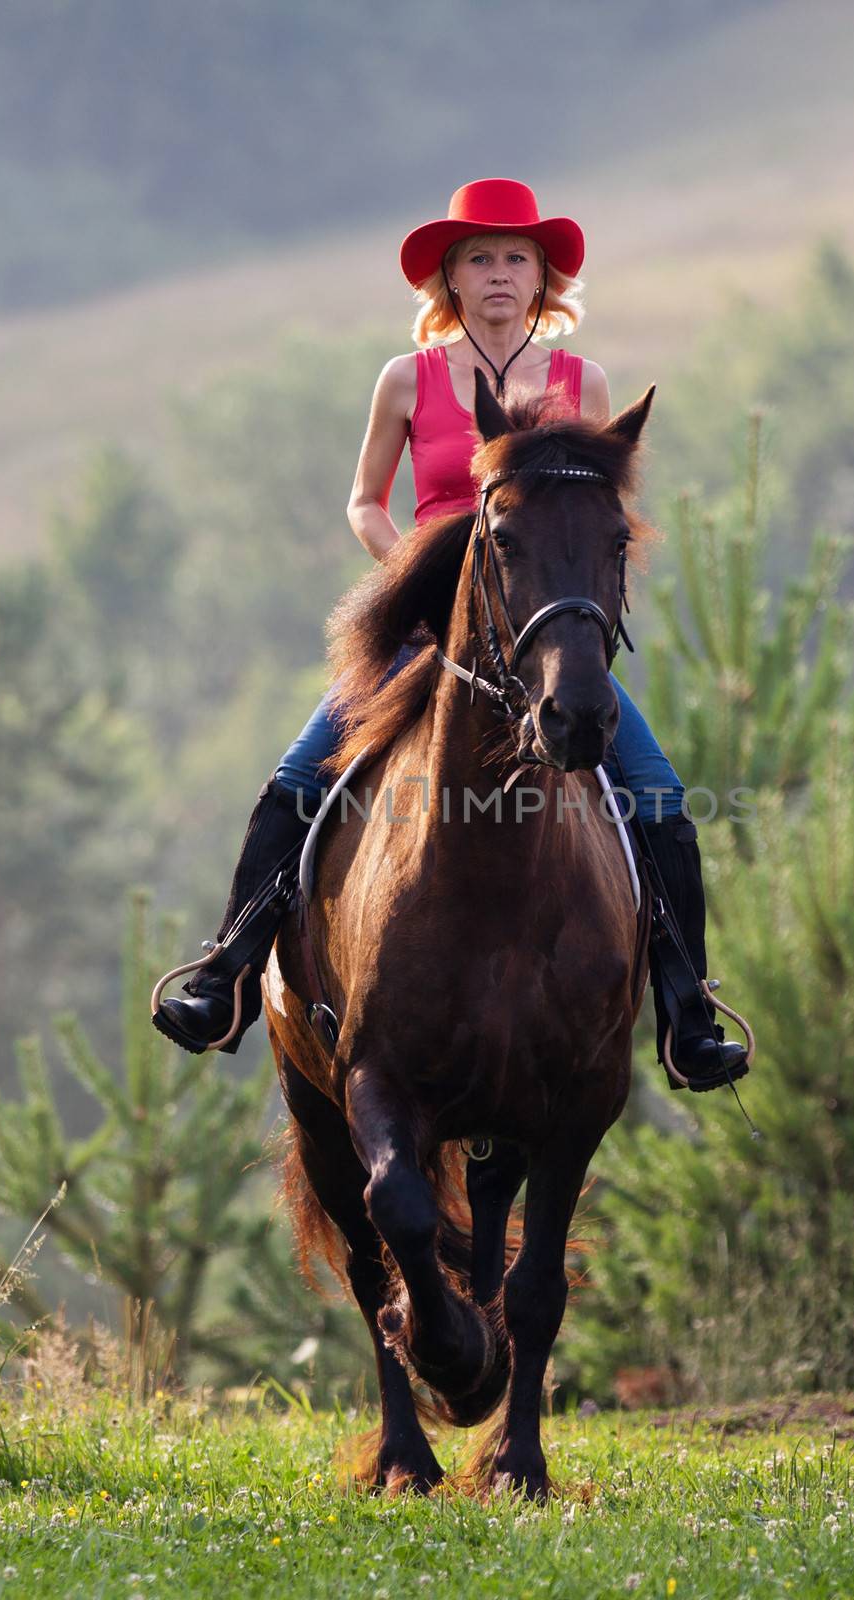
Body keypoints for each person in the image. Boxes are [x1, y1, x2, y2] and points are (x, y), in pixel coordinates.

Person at [152, 178, 747, 1088]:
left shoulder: (581, 382)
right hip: (426, 620)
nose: (500, 274)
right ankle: (226, 974)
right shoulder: (407, 378)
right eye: (480, 258)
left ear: (543, 278)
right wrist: (412, 579)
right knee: (298, 775)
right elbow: (363, 499)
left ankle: (685, 1011)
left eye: (517, 258)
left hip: (537, 627)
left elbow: (589, 512)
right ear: (451, 278)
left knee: (658, 793)